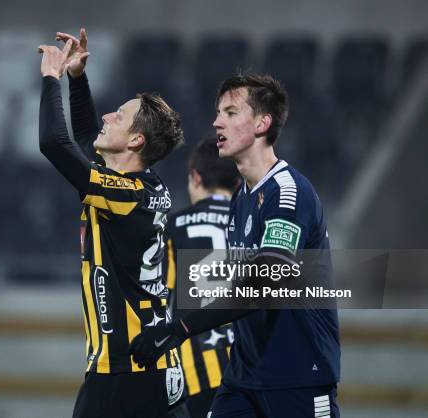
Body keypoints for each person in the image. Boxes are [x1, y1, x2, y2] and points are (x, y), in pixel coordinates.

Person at [130, 74, 341, 418]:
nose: (216, 122)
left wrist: (181, 327)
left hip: (298, 378)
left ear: (262, 123)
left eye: (230, 112)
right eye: (217, 113)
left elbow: (264, 282)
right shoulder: (240, 200)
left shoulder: (288, 193)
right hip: (244, 379)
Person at [38, 28, 188, 417]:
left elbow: (56, 144)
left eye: (119, 116)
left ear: (136, 140)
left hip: (124, 371)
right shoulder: (145, 187)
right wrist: (78, 78)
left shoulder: (124, 194)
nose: (108, 115)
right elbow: (90, 139)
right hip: (158, 366)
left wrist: (52, 79)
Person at [164, 137, 239, 417]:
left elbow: (159, 299)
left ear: (196, 178)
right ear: (237, 183)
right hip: (253, 374)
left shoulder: (172, 227)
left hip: (197, 376)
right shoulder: (255, 224)